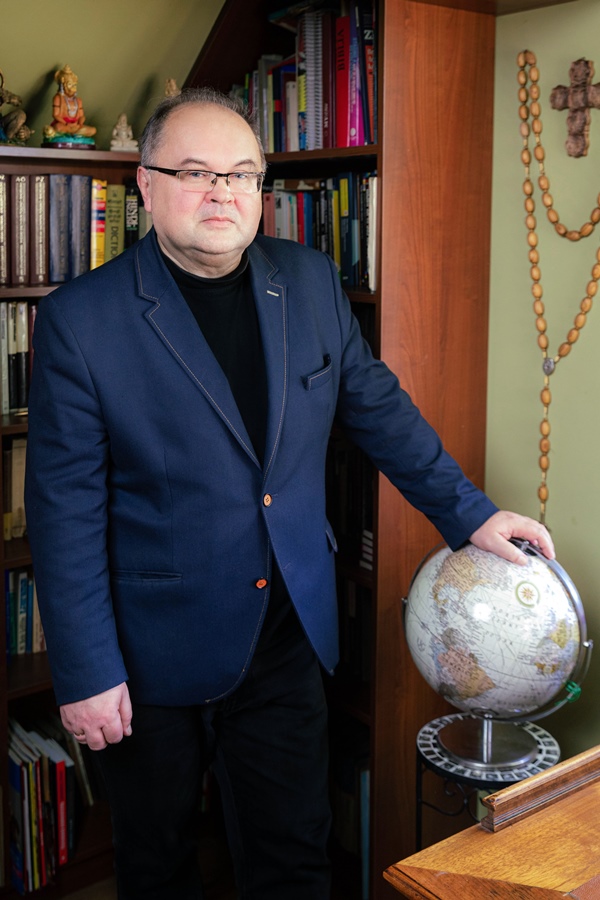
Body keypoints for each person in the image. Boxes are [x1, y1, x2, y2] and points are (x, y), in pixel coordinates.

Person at [24, 87, 554, 900]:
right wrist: (88, 670)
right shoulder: (80, 321)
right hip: (148, 651)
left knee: (293, 861)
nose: (221, 193)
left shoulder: (307, 281)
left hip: (284, 635)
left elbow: (379, 411)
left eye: (241, 174)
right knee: (157, 867)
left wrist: (471, 514)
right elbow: (64, 514)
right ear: (146, 186)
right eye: (195, 172)